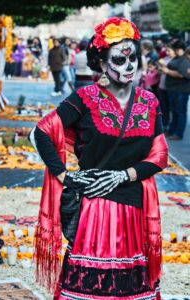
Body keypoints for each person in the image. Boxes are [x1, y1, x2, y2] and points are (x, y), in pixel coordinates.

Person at [30, 17, 168, 300]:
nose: (129, 66)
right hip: (94, 209)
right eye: (120, 60)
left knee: (131, 288)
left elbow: (160, 154)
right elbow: (41, 133)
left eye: (133, 59)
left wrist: (123, 175)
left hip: (134, 204)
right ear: (103, 64)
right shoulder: (86, 98)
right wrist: (64, 176)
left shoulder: (149, 101)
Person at [161, 40, 190, 140]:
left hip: (180, 89)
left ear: (179, 49)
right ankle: (172, 130)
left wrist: (167, 71)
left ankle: (178, 133)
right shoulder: (178, 58)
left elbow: (182, 74)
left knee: (180, 112)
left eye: (176, 49)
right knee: (174, 111)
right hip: (173, 89)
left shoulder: (184, 60)